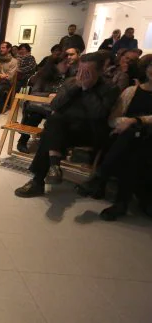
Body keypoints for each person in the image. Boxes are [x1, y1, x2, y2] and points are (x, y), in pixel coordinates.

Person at [14, 53, 120, 198]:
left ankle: (39, 179)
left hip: (90, 132)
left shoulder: (110, 88)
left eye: (87, 72)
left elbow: (98, 114)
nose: (82, 75)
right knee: (54, 121)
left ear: (100, 72)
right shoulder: (71, 82)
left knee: (49, 135)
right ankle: (53, 168)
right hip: (64, 129)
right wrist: (75, 87)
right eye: (80, 71)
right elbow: (54, 104)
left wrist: (86, 89)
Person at [77, 57, 152, 220]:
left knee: (133, 137)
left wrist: (135, 120)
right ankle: (121, 202)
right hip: (127, 137)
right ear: (146, 69)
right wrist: (124, 123)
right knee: (132, 143)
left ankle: (100, 179)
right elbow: (113, 118)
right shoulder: (131, 91)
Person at [16, 56, 69, 153]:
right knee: (35, 116)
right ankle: (22, 141)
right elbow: (34, 92)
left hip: (55, 107)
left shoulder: (68, 77)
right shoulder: (43, 76)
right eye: (65, 63)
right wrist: (49, 94)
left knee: (58, 117)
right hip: (40, 105)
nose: (67, 65)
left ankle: (48, 143)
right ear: (55, 65)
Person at [0, 41, 18, 113]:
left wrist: (1, 76)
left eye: (3, 48)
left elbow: (10, 76)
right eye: (0, 48)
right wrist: (0, 75)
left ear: (9, 49)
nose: (1, 49)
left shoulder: (14, 61)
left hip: (7, 82)